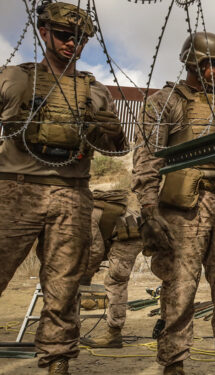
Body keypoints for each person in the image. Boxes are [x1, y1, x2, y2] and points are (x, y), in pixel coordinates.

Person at [0, 2, 127, 373]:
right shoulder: (14, 79)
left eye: (79, 38)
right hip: (16, 188)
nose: (72, 43)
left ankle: (58, 363)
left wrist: (113, 132)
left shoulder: (95, 92)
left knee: (63, 287)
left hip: (72, 193)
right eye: (63, 35)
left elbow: (116, 148)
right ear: (43, 33)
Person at [131, 32, 215, 375]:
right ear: (193, 62)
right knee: (180, 287)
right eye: (213, 64)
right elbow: (147, 158)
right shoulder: (166, 102)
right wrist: (149, 207)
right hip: (185, 208)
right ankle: (174, 363)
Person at [80, 203, 143, 349]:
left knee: (115, 281)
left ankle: (113, 334)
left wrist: (86, 275)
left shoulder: (83, 212)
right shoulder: (85, 205)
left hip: (129, 235)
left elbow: (95, 250)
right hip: (127, 231)